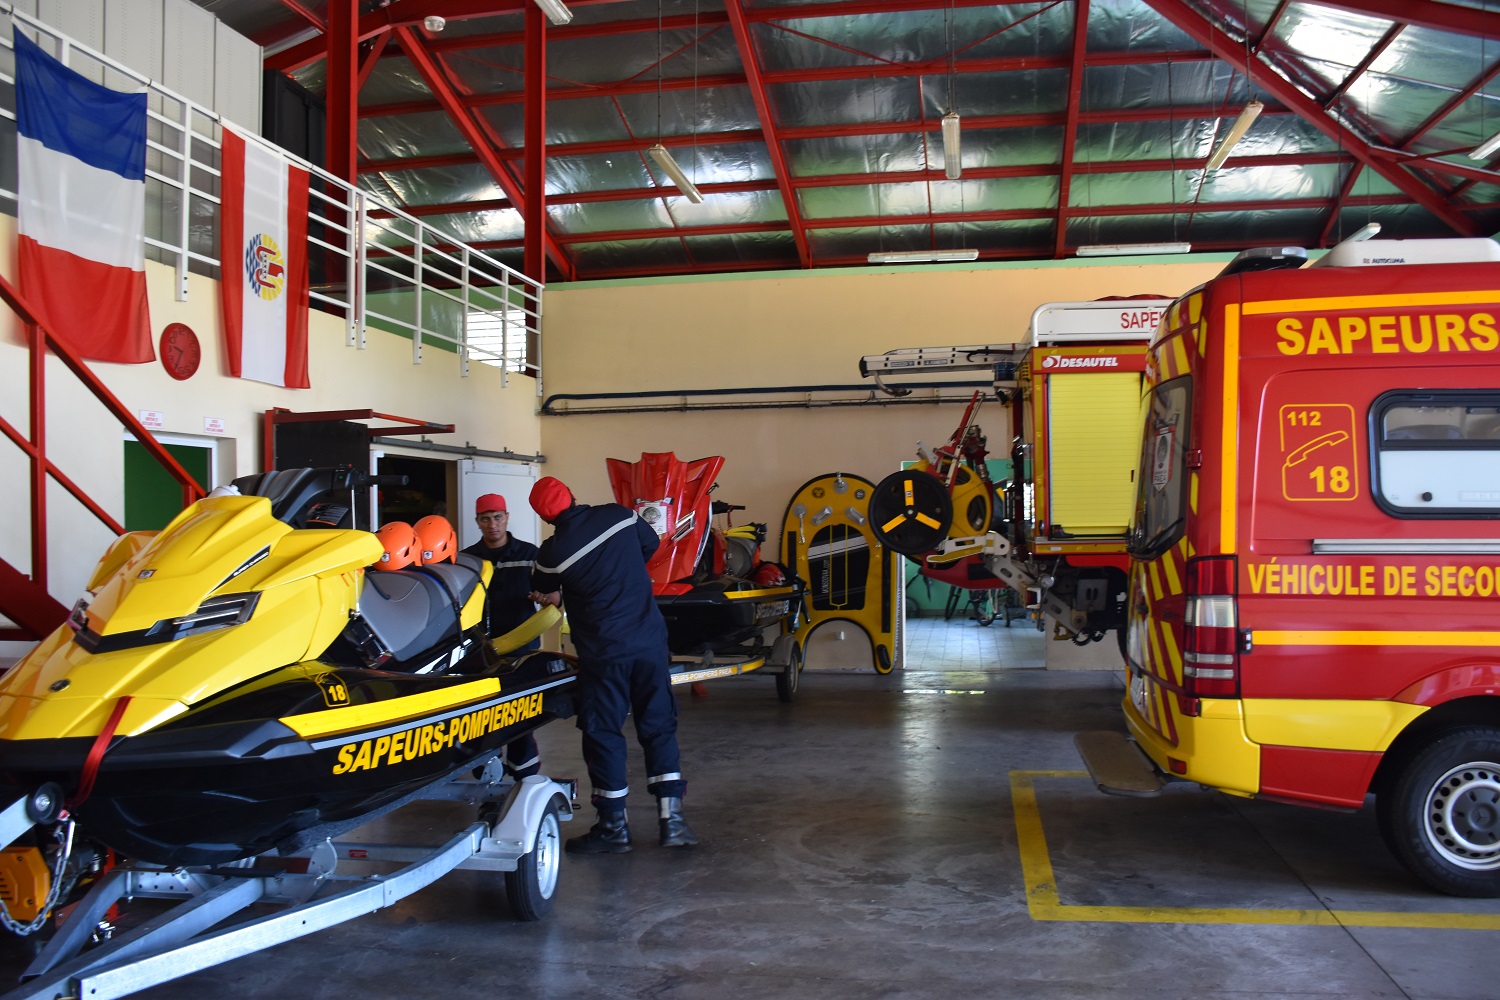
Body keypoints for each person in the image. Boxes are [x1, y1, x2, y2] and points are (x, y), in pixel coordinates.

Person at [527, 476, 696, 852]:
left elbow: (546, 587)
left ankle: (612, 827)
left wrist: (563, 590)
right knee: (658, 725)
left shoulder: (552, 553)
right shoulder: (618, 516)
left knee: (603, 732)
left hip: (605, 655)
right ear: (572, 493)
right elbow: (650, 544)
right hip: (650, 643)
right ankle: (674, 822)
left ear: (543, 516)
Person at [462, 493, 541, 782]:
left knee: (521, 714)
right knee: (483, 716)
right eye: (485, 518)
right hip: (479, 650)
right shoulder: (467, 559)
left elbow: (552, 594)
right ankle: (487, 781)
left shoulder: (529, 554)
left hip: (522, 647)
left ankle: (526, 777)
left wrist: (546, 598)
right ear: (478, 522)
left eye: (497, 517)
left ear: (507, 517)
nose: (492, 524)